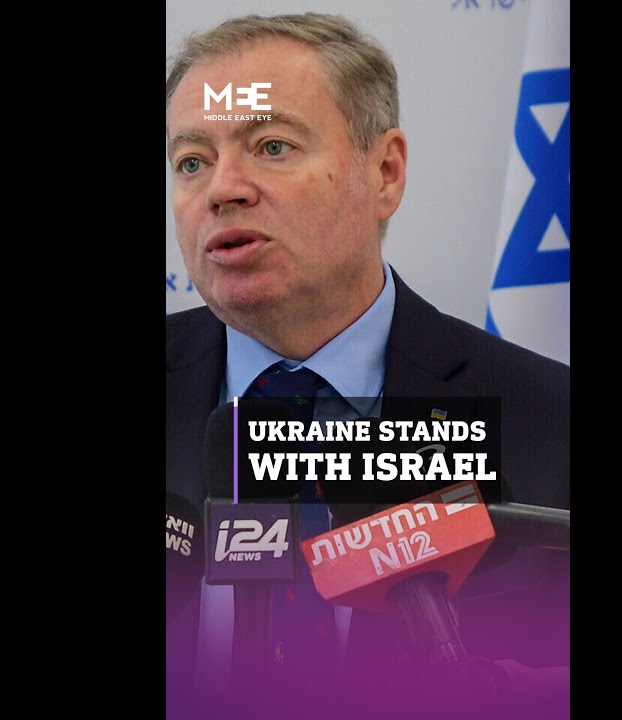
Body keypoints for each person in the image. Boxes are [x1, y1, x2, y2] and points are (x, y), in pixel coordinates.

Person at [165, 13, 569, 716]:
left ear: (385, 173)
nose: (222, 189)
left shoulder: (550, 419)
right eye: (192, 161)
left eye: (272, 146)